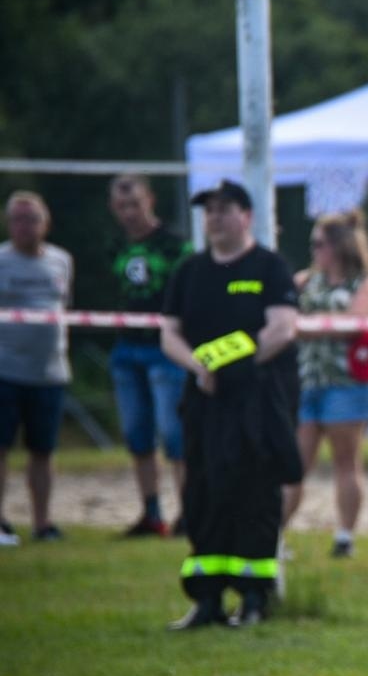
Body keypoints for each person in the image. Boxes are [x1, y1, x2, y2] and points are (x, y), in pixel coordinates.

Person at [159, 180, 300, 628]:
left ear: (247, 216)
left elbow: (281, 329)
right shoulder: (191, 271)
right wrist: (200, 368)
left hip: (256, 402)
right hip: (205, 402)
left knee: (255, 494)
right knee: (203, 492)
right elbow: (170, 333)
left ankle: (255, 597)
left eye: (224, 209)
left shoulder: (269, 267)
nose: (215, 218)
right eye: (209, 211)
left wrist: (233, 365)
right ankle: (207, 599)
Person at [281, 209, 368, 558]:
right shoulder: (303, 281)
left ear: (341, 246)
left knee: (346, 461)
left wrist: (304, 324)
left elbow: (355, 322)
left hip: (346, 384)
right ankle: (274, 535)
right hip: (305, 382)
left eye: (320, 244)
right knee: (294, 464)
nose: (314, 251)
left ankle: (345, 536)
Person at [106, 174, 190, 536]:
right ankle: (151, 513)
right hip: (127, 349)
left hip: (165, 350)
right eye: (122, 206)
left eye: (135, 204)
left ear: (151, 201)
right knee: (137, 434)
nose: (129, 213)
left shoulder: (175, 246)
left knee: (175, 435)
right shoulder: (114, 247)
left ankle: (188, 513)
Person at [0, 191, 73, 546]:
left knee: (43, 451)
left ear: (46, 223)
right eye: (16, 219)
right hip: (5, 371)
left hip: (50, 373)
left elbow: (65, 307)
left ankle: (43, 523)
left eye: (31, 219)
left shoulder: (61, 261)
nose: (23, 226)